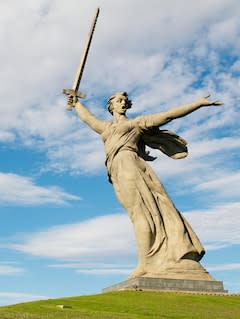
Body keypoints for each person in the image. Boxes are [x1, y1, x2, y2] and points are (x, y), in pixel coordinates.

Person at [68, 92, 222, 280]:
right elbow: (88, 118)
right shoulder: (106, 128)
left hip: (130, 167)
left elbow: (168, 115)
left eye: (125, 101)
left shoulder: (136, 124)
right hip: (117, 171)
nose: (123, 103)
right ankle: (150, 260)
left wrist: (198, 103)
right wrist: (76, 104)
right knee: (139, 215)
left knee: (141, 215)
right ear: (111, 106)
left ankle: (145, 264)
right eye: (119, 101)